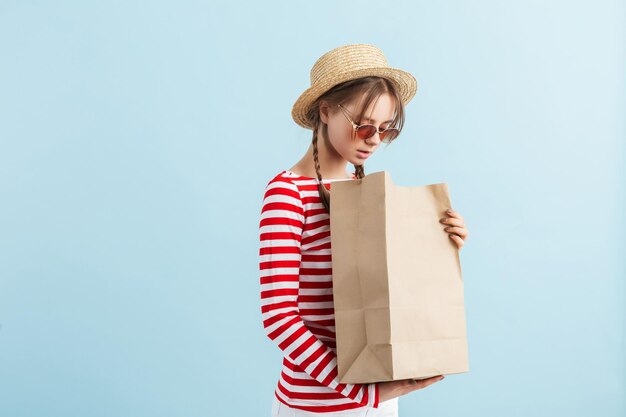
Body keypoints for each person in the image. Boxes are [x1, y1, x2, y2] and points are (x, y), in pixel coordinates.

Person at [258, 44, 469, 417]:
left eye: (386, 130)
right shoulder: (287, 194)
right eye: (364, 125)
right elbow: (278, 318)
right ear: (324, 110)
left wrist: (444, 242)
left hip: (381, 399)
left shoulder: (363, 187)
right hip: (316, 406)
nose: (374, 139)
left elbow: (388, 282)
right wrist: (360, 394)